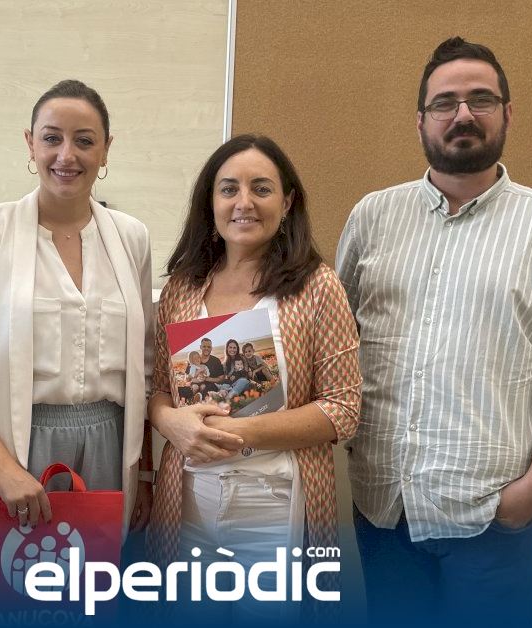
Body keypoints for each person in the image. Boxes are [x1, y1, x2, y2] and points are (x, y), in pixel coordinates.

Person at [335, 36, 532, 626]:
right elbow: (337, 338)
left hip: (490, 521)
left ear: (507, 113)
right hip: (383, 508)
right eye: (444, 103)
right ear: (421, 120)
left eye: (481, 99)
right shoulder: (372, 216)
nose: (463, 115)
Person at [0, 79, 155, 623]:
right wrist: (3, 466)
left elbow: (145, 367)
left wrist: (143, 472)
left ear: (106, 149)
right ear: (30, 143)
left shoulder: (132, 237)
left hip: (107, 449)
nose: (66, 155)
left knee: (89, 603)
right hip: (7, 446)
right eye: (52, 138)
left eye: (84, 140)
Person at [145, 133, 361, 621]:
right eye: (229, 189)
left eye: (261, 188)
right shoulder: (181, 288)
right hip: (189, 500)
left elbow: (344, 409)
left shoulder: (317, 286)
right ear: (211, 203)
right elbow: (158, 390)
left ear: (287, 202)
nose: (244, 202)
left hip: (275, 505)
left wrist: (238, 432)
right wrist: (170, 422)